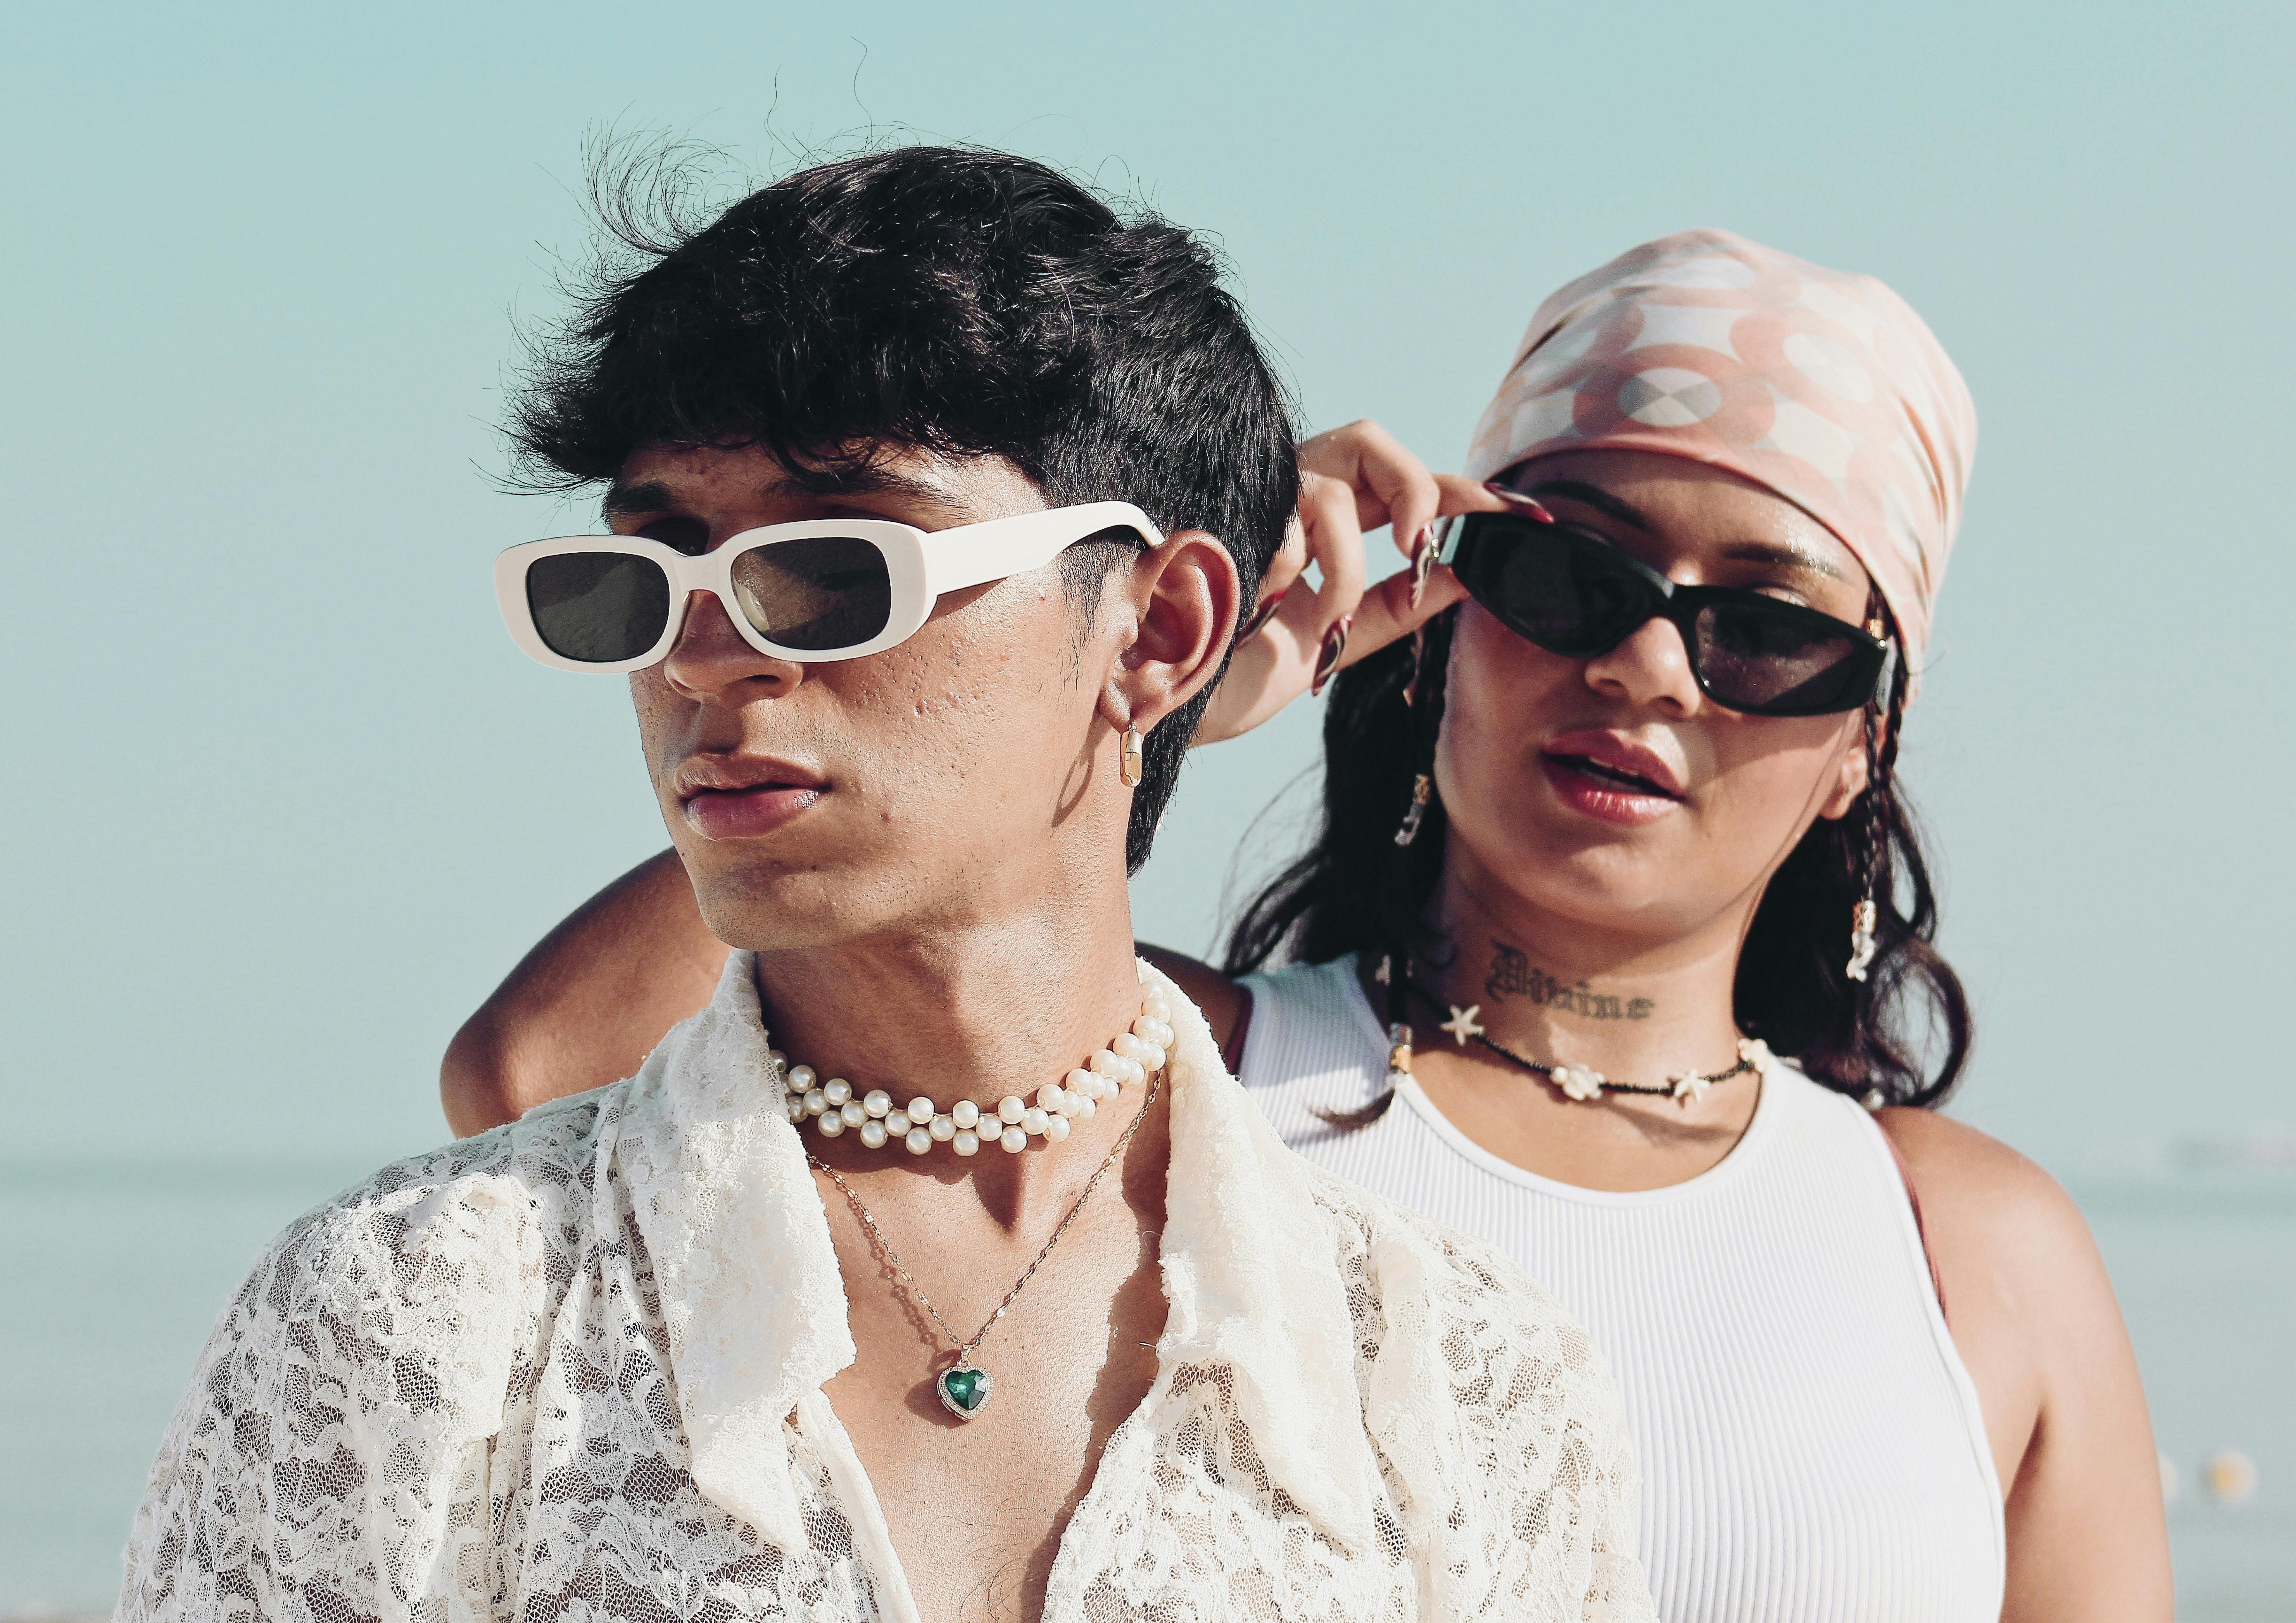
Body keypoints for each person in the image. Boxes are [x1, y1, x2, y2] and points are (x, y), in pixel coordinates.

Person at [440, 229, 2172, 1620]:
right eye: (1569, 577)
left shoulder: (1966, 1252)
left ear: (1867, 733)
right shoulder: (1180, 1092)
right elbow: (552, 1073)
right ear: (1440, 615)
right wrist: (1142, 688)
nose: (1646, 669)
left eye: (1769, 630)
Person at [120, 147, 1654, 1623]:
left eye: (844, 568)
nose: (708, 655)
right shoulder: (413, 1322)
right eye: (641, 582)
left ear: (1162, 628)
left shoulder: (1455, 1375)